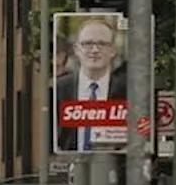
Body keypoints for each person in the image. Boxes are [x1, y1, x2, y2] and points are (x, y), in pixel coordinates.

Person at [54, 16, 128, 152]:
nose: (94, 50)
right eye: (87, 44)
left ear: (113, 50)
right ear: (76, 49)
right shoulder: (58, 90)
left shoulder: (128, 92)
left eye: (102, 44)